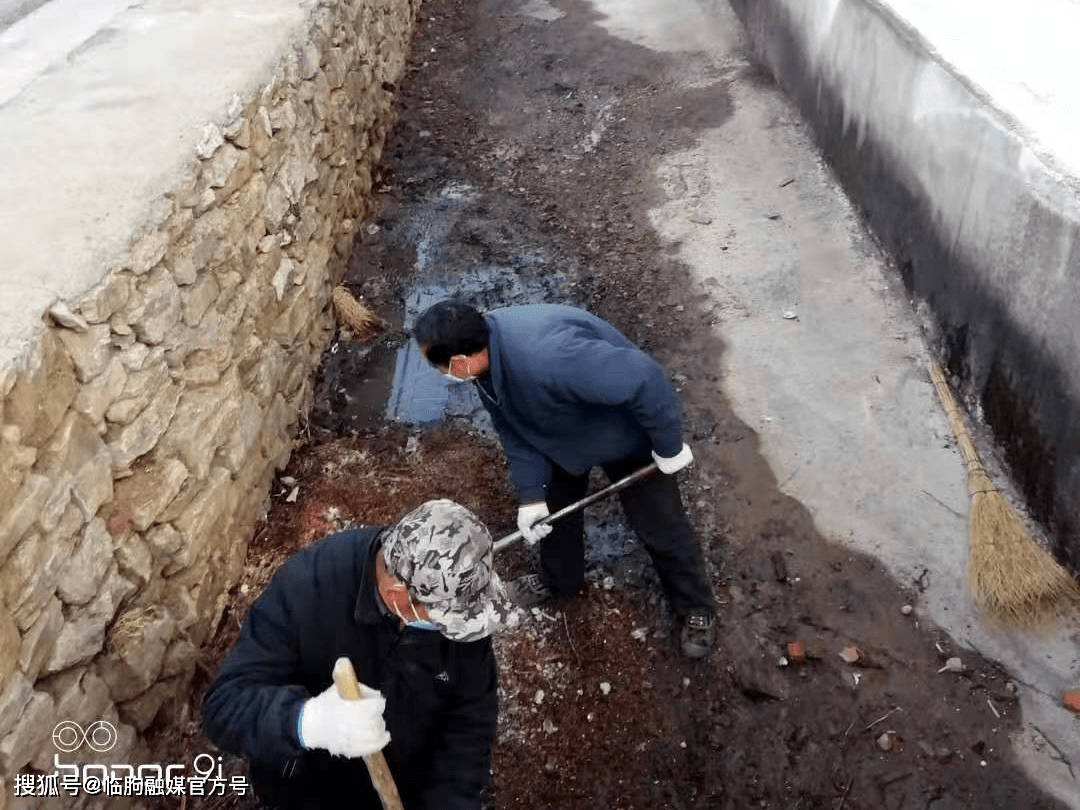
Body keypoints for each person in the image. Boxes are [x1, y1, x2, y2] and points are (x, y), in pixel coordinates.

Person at [412, 301, 716, 658]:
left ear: (463, 359)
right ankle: (558, 580)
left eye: (438, 365)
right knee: (553, 513)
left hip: (624, 429)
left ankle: (695, 607)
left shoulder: (550, 357)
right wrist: (530, 497)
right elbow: (514, 429)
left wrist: (667, 447)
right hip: (559, 427)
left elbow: (645, 379)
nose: (438, 372)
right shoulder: (485, 365)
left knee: (660, 524)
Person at [202, 499, 514, 810]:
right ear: (397, 596)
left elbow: (469, 724)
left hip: (408, 790)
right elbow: (223, 707)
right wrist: (309, 723)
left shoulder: (460, 605)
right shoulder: (308, 588)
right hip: (310, 791)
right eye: (445, 620)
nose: (456, 629)